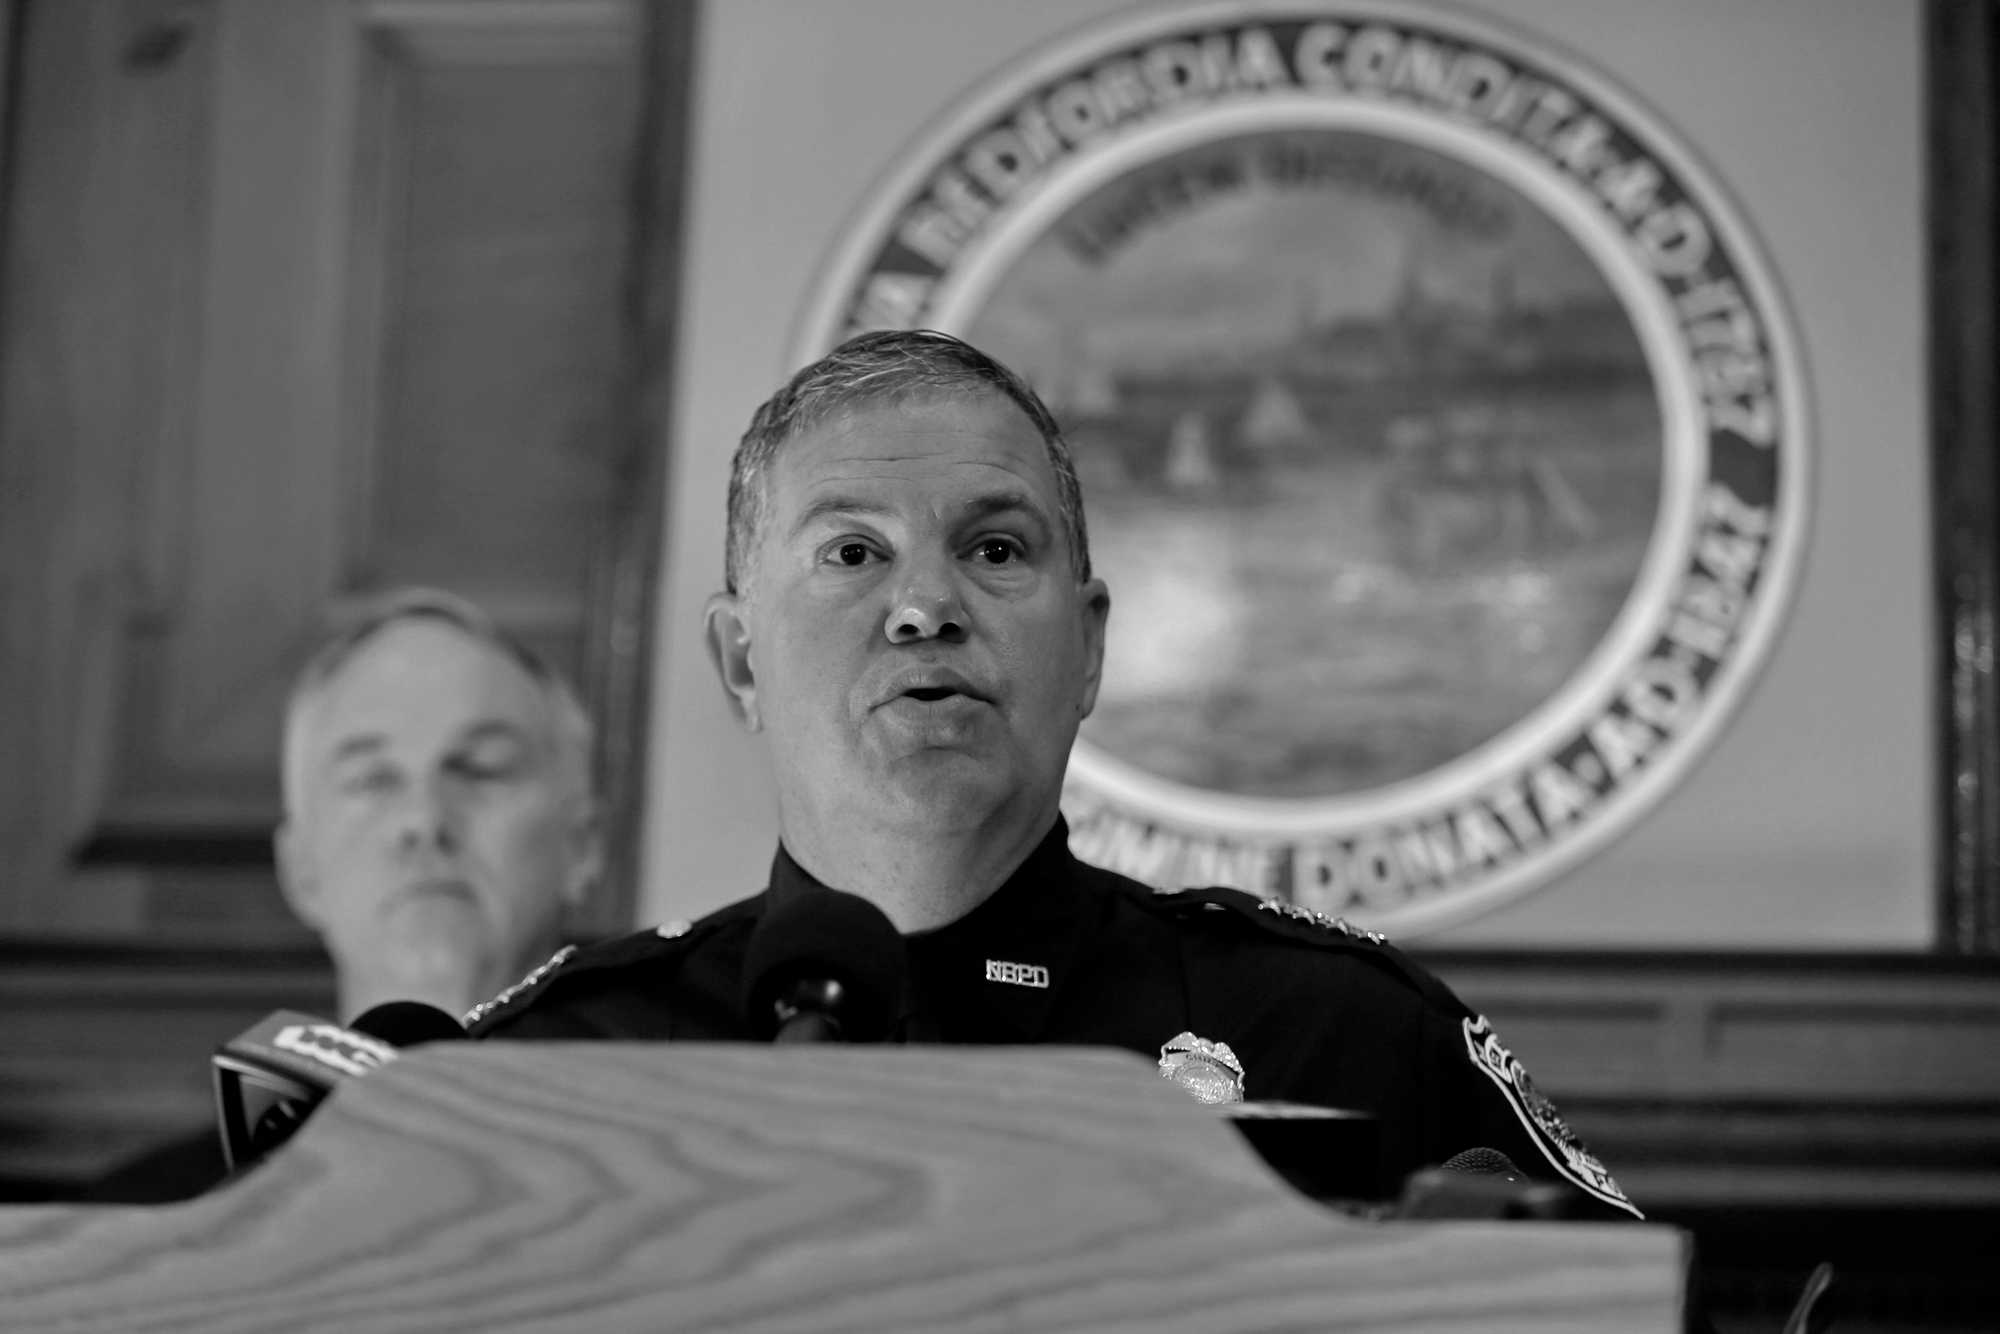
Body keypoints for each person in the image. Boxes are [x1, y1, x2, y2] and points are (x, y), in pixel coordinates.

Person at [465, 329, 1640, 1220]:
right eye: (852, 552)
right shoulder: (552, 1071)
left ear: (1084, 647)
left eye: (993, 548)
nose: (924, 607)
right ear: (739, 660)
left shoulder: (1346, 1037)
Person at [88, 588, 604, 1201]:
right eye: (372, 779)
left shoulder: (698, 1188)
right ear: (301, 869)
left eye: (480, 767)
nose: (423, 820)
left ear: (582, 845)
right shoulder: (140, 1224)